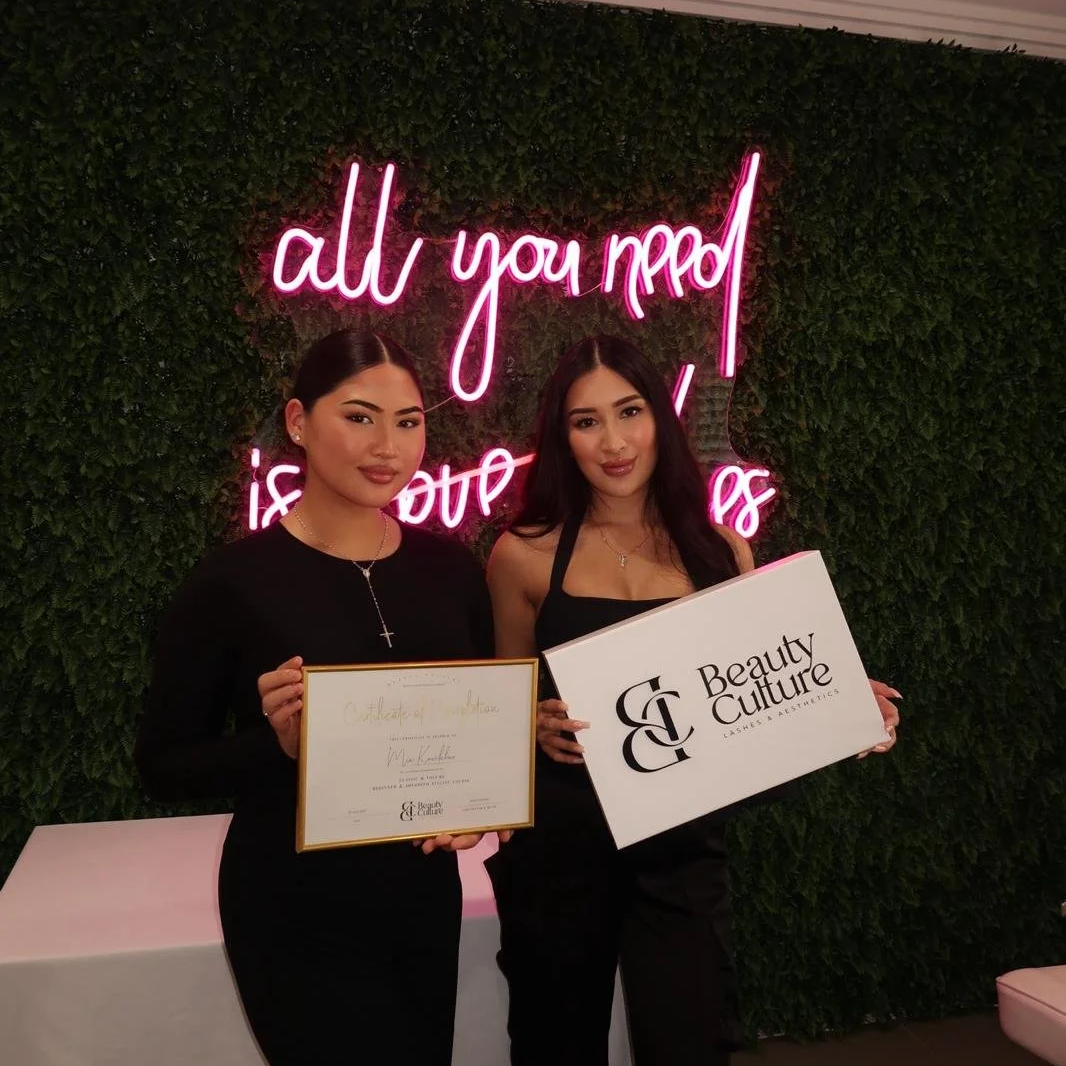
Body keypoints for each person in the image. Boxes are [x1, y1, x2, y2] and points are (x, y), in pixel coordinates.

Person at [484, 335, 900, 1066]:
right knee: (554, 1044)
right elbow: (492, 700)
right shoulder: (523, 553)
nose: (613, 442)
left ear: (661, 419)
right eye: (586, 422)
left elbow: (759, 689)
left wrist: (841, 700)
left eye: (630, 411)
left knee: (692, 1040)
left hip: (680, 849)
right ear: (561, 438)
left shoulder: (720, 550)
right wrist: (526, 720)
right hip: (559, 847)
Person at [134, 329, 494, 1066]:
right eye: (360, 417)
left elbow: (473, 731)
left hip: (424, 899)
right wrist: (277, 744)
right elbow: (163, 766)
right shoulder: (234, 582)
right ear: (299, 423)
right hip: (291, 905)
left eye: (409, 421)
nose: (388, 446)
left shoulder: (451, 570)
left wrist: (478, 807)